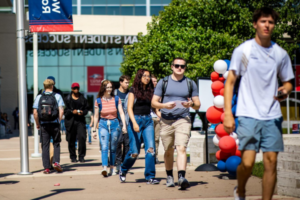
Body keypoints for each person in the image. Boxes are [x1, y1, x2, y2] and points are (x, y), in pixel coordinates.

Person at [223, 7, 294, 200]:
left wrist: (285, 90)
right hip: (247, 115)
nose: (267, 25)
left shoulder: (280, 54)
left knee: (271, 161)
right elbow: (230, 82)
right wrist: (228, 113)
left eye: (270, 22)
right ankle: (242, 190)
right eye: (263, 21)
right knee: (247, 163)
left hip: (272, 116)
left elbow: (288, 81)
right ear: (255, 24)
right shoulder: (244, 50)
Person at [151, 57, 200, 190]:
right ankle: (169, 176)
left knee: (181, 147)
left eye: (182, 66)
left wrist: (191, 104)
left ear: (185, 68)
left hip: (183, 119)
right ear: (172, 66)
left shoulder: (190, 83)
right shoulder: (164, 82)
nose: (180, 68)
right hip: (166, 120)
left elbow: (197, 105)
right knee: (168, 150)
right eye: (177, 66)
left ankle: (181, 177)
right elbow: (153, 102)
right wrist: (164, 106)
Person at [119, 69, 160, 185]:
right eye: (144, 76)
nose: (147, 78)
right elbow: (129, 108)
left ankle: (150, 177)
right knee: (134, 152)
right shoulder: (133, 90)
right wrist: (134, 123)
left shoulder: (151, 90)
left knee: (151, 149)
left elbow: (154, 108)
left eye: (148, 76)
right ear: (139, 77)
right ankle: (123, 169)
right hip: (135, 120)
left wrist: (161, 116)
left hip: (148, 121)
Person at [93, 80, 127, 177]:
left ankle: (112, 168)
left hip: (115, 124)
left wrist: (124, 125)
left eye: (110, 87)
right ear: (103, 88)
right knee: (104, 147)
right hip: (103, 123)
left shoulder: (116, 99)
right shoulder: (98, 100)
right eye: (107, 87)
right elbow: (96, 116)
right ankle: (104, 168)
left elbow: (121, 113)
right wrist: (94, 130)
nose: (109, 89)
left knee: (113, 147)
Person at [32, 79, 64, 174]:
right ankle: (56, 162)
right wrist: (58, 120)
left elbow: (35, 113)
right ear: (52, 86)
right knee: (56, 143)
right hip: (54, 123)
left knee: (45, 145)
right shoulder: (57, 96)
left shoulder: (39, 97)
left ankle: (46, 167)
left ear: (44, 86)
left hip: (44, 124)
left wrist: (37, 123)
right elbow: (61, 110)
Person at [64, 83, 89, 163]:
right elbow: (64, 111)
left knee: (82, 138)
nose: (76, 90)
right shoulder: (67, 99)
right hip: (70, 122)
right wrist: (72, 112)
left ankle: (81, 156)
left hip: (80, 121)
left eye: (77, 88)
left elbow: (86, 109)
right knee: (71, 139)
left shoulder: (83, 99)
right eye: (74, 88)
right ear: (72, 89)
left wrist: (82, 112)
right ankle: (73, 156)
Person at [115, 75, 130, 172]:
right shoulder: (115, 93)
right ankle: (118, 163)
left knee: (127, 144)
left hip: (128, 121)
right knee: (118, 143)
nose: (128, 84)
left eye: (128, 83)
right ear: (120, 82)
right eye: (126, 82)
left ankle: (125, 163)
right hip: (117, 121)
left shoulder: (130, 94)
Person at [151, 74, 161, 164]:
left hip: (157, 118)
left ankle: (155, 156)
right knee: (150, 139)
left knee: (157, 138)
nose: (155, 82)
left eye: (156, 81)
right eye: (153, 81)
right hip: (148, 118)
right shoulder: (146, 92)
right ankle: (150, 156)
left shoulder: (159, 92)